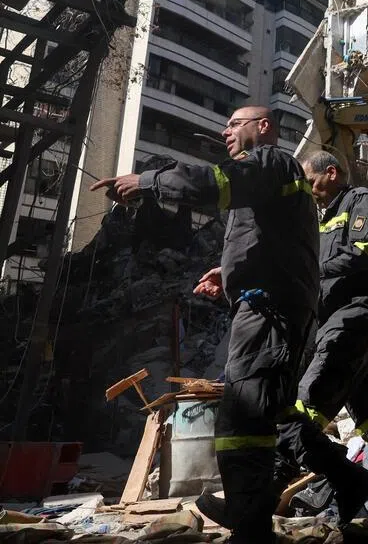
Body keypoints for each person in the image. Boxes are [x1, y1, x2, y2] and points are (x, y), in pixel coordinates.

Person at [92, 108, 319, 544]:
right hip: (267, 305)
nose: (225, 130)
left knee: (243, 418)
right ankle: (329, 485)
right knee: (270, 412)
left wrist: (145, 182)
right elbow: (272, 239)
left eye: (235, 124)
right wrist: (228, 273)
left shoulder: (270, 163)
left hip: (269, 311)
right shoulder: (271, 178)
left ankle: (250, 525)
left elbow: (211, 183)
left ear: (264, 127)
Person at [273, 151, 368, 524]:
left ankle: (262, 493)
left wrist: (307, 268)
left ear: (332, 172)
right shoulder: (318, 218)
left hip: (357, 318)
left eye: (312, 182)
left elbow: (365, 251)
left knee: (305, 405)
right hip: (337, 322)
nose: (310, 192)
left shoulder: (362, 200)